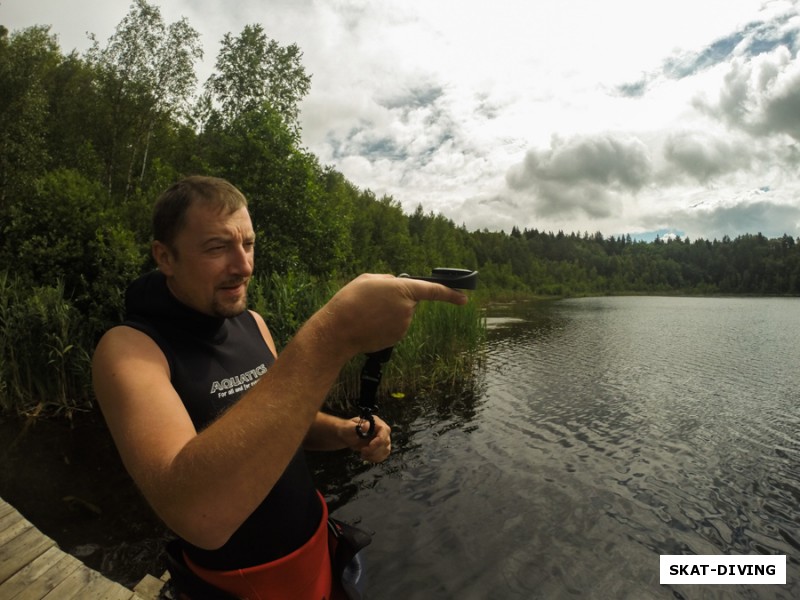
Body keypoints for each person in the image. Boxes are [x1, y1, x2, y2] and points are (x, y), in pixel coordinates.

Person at [91, 175, 467, 599]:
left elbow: (280, 425)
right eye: (217, 247)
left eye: (248, 244)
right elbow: (195, 514)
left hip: (318, 555)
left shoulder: (251, 324)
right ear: (166, 257)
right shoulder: (129, 350)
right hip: (236, 587)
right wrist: (332, 335)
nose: (244, 265)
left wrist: (342, 432)